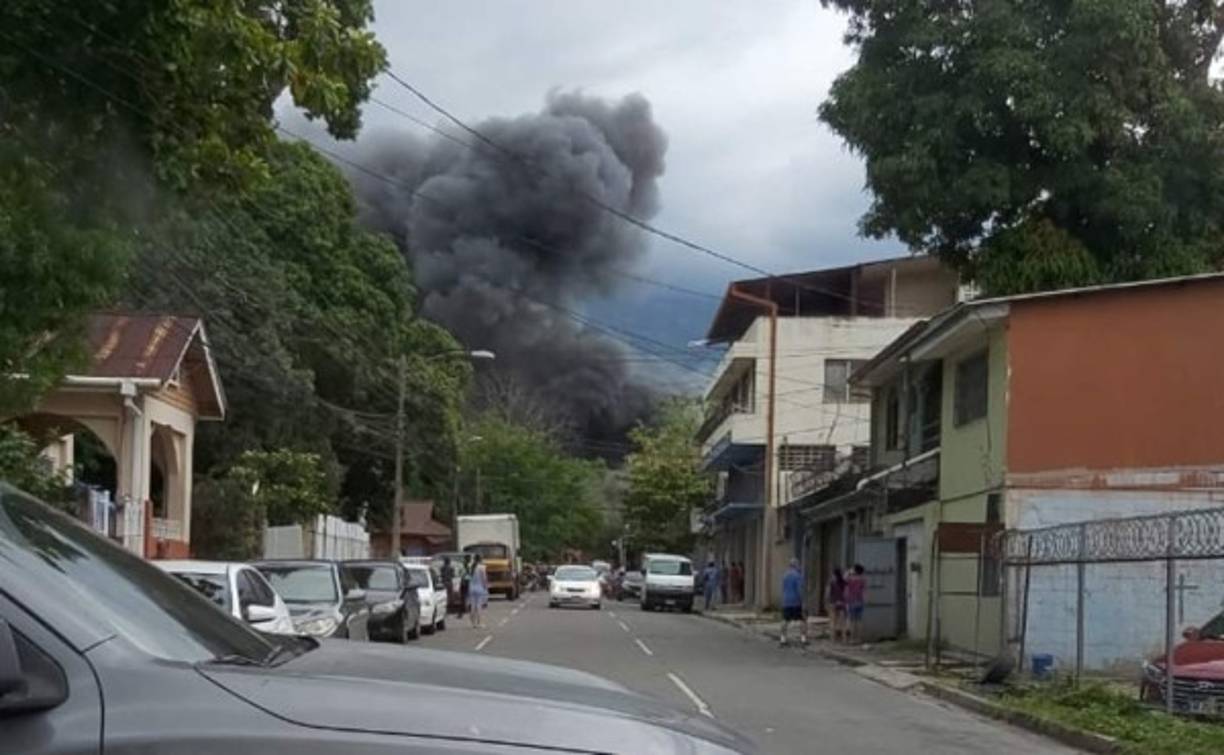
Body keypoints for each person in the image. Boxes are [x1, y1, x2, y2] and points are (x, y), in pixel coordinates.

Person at [780, 558, 807, 646]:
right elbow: (799, 590)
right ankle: (803, 638)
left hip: (786, 601)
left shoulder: (785, 575)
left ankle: (783, 639)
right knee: (802, 619)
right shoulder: (798, 576)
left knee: (785, 620)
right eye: (798, 565)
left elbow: (783, 588)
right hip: (795, 601)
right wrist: (802, 601)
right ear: (796, 565)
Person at [844, 563, 867, 644]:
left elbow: (844, 578)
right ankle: (859, 638)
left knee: (851, 621)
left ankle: (852, 639)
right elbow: (864, 590)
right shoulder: (862, 579)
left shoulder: (850, 579)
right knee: (859, 621)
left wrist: (849, 571)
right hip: (860, 601)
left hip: (851, 601)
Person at [826, 567, 847, 642]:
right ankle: (844, 638)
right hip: (842, 603)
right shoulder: (843, 582)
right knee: (843, 622)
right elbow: (846, 592)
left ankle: (832, 638)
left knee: (833, 621)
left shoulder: (831, 582)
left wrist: (827, 601)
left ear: (834, 574)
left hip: (833, 603)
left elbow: (828, 593)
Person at [468, 554, 488, 629]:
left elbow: (469, 577)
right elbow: (484, 578)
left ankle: (473, 623)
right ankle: (480, 623)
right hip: (479, 588)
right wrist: (485, 587)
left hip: (471, 588)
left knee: (473, 606)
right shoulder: (482, 567)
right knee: (479, 606)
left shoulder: (470, 566)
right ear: (480, 559)